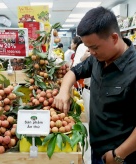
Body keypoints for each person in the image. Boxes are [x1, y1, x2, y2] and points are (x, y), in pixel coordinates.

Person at [54, 6, 136, 164]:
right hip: (97, 149)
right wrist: (64, 91)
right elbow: (74, 72)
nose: (91, 52)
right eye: (88, 48)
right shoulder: (98, 59)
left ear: (113, 38)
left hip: (121, 156)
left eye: (94, 47)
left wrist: (118, 155)